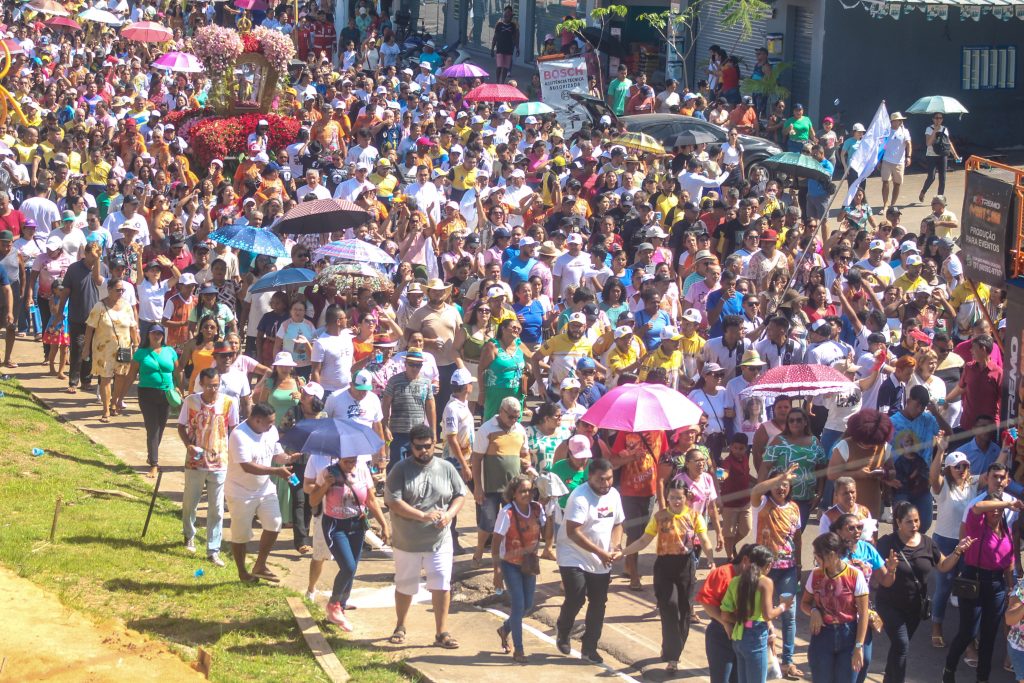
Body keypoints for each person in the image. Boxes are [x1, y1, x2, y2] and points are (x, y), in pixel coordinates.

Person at [384, 423, 466, 649]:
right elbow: (392, 502)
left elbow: (460, 495)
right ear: (411, 446)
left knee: (441, 584)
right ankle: (400, 625)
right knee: (405, 585)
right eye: (419, 447)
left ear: (434, 444)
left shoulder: (446, 467)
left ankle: (442, 632)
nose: (424, 451)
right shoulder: (400, 469)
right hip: (407, 541)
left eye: (428, 446)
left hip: (439, 540)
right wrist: (422, 516)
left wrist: (449, 514)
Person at [875, 501, 973, 683]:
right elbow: (876, 576)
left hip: (914, 609)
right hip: (889, 605)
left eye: (917, 521)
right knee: (902, 645)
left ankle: (889, 678)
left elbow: (943, 565)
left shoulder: (927, 543)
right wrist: (889, 569)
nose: (914, 525)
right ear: (898, 522)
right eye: (909, 522)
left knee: (899, 647)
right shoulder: (887, 543)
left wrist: (958, 551)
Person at [623, 479, 712, 674]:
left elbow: (704, 539)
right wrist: (623, 552)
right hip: (664, 566)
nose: (676, 501)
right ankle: (673, 657)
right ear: (667, 498)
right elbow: (644, 540)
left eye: (679, 498)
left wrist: (711, 558)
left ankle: (673, 650)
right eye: (672, 498)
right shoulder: (660, 517)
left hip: (685, 567)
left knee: (684, 611)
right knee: (669, 607)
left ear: (686, 497)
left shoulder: (695, 516)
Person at [943, 470, 1019, 683]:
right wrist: (1004, 504)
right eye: (992, 509)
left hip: (996, 585)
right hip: (974, 580)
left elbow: (1009, 561)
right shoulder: (977, 524)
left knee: (989, 636)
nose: (995, 513)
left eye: (998, 510)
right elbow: (977, 507)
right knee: (968, 632)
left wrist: (1012, 587)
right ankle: (949, 670)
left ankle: (982, 679)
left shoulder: (1005, 530)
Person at [308, 441, 389, 631]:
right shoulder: (327, 473)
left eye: (354, 461)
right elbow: (312, 500)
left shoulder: (362, 470)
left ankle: (340, 609)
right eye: (347, 462)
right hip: (335, 525)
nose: (351, 464)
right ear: (339, 459)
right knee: (348, 566)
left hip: (356, 524)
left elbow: (370, 499)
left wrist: (384, 524)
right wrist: (325, 485)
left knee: (352, 568)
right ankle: (334, 604)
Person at [555, 458, 624, 663]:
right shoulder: (579, 497)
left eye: (609, 478)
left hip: (600, 558)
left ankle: (590, 647)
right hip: (572, 553)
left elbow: (619, 523)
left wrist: (615, 546)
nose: (606, 484)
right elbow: (573, 532)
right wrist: (601, 553)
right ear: (589, 477)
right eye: (601, 480)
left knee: (598, 603)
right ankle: (564, 630)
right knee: (576, 597)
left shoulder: (613, 494)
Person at [225, 402, 294, 583]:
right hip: (240, 492)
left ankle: (260, 565)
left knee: (275, 523)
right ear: (257, 420)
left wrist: (289, 458)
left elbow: (277, 455)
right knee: (240, 534)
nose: (272, 426)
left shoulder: (270, 431)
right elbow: (247, 466)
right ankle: (242, 573)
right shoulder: (239, 435)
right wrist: (276, 471)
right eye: (269, 422)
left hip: (265, 488)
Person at [178, 367, 239, 567]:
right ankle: (189, 534)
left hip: (219, 461)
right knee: (190, 502)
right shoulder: (191, 401)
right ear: (201, 385)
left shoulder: (229, 403)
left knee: (217, 508)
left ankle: (213, 549)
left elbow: (233, 430)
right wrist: (189, 445)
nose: (214, 389)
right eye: (210, 386)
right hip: (195, 461)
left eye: (216, 385)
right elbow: (181, 426)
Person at [749, 465, 803, 679]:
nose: (781, 488)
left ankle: (788, 661)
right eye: (777, 485)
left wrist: (798, 564)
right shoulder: (761, 504)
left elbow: (797, 538)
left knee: (789, 616)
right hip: (764, 571)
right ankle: (765, 656)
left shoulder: (794, 508)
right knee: (763, 615)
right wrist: (778, 477)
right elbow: (755, 491)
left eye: (785, 485)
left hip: (788, 569)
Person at [801, 532, 870, 683]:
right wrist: (813, 611)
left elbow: (863, 614)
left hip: (849, 637)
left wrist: (859, 646)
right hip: (822, 636)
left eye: (817, 555)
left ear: (831, 555)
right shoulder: (815, 575)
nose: (815, 559)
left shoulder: (855, 575)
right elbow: (804, 604)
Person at [492, 474, 545, 664]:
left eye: (530, 490)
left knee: (529, 604)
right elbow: (496, 542)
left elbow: (546, 532)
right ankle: (519, 649)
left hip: (529, 563)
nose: (527, 494)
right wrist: (497, 571)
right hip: (510, 564)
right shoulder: (506, 513)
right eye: (523, 491)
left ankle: (505, 629)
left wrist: (550, 505)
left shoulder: (537, 509)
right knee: (518, 605)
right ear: (513, 493)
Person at [928, 450, 979, 648]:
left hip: (968, 543)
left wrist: (1005, 448)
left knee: (968, 589)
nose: (962, 469)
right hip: (945, 543)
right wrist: (940, 450)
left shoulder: (973, 483)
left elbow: (994, 475)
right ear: (948, 469)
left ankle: (968, 633)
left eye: (965, 465)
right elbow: (933, 476)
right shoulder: (943, 487)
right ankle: (936, 626)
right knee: (944, 587)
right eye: (957, 466)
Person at [721, 543, 791, 683]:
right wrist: (784, 606)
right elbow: (768, 615)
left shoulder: (735, 581)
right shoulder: (765, 582)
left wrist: (745, 621)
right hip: (756, 636)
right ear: (768, 565)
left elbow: (725, 615)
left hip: (739, 636)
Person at [472, 396, 529, 566]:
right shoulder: (486, 429)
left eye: (517, 416)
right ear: (501, 411)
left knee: (511, 523)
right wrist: (478, 487)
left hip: (513, 489)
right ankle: (479, 551)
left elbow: (525, 454)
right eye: (510, 416)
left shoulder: (520, 430)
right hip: (490, 487)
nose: (514, 420)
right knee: (488, 522)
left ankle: (506, 557)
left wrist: (527, 464)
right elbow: (476, 460)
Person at [83, 277, 139, 423]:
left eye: (122, 290)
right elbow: (89, 328)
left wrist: (136, 345)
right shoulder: (99, 306)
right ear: (109, 289)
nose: (120, 293)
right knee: (106, 379)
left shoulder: (127, 306)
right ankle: (106, 409)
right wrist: (86, 349)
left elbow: (133, 327)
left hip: (124, 348)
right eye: (117, 290)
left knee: (121, 376)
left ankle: (115, 402)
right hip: (104, 350)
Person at [132, 324, 180, 478]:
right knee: (152, 428)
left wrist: (180, 388)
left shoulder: (170, 351)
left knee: (161, 427)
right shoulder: (141, 353)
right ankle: (154, 464)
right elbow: (130, 375)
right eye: (154, 333)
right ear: (148, 335)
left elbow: (178, 372)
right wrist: (117, 398)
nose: (157, 336)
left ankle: (151, 454)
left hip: (166, 394)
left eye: (159, 333)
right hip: (147, 394)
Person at [381, 349, 436, 470]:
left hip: (418, 433)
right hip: (398, 432)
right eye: (411, 364)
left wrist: (433, 431)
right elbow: (385, 404)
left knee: (418, 466)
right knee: (396, 465)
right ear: (405, 364)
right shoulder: (394, 381)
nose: (415, 368)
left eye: (418, 365)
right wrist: (385, 427)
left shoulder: (426, 383)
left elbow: (430, 407)